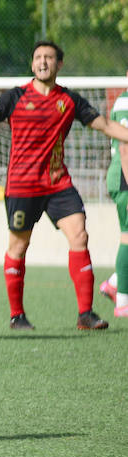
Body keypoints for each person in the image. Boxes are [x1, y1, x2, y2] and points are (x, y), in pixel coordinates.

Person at [0, 42, 128, 330]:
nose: (43, 62)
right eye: (38, 58)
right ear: (32, 65)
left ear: (59, 65)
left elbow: (105, 125)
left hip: (57, 184)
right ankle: (17, 315)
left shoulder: (69, 100)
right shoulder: (14, 97)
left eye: (49, 58)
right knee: (19, 246)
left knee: (79, 235)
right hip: (22, 186)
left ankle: (85, 314)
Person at [100, 73, 128, 318]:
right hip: (125, 177)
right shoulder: (126, 102)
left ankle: (114, 283)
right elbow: (125, 146)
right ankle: (122, 303)